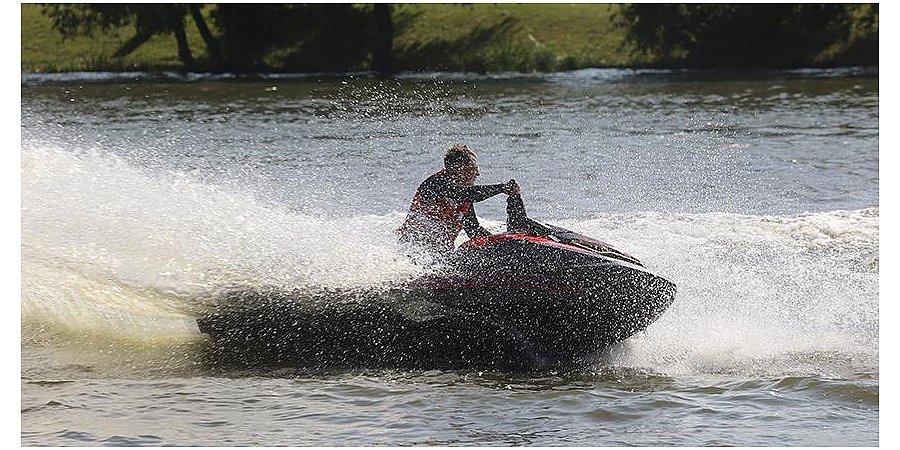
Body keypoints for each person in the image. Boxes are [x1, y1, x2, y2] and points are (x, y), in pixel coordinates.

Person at [398, 144, 520, 253]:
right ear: (459, 170)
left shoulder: (464, 196)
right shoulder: (436, 184)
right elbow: (466, 194)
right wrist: (501, 188)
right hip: (413, 251)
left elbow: (473, 230)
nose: (477, 174)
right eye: (473, 169)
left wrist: (501, 244)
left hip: (441, 255)